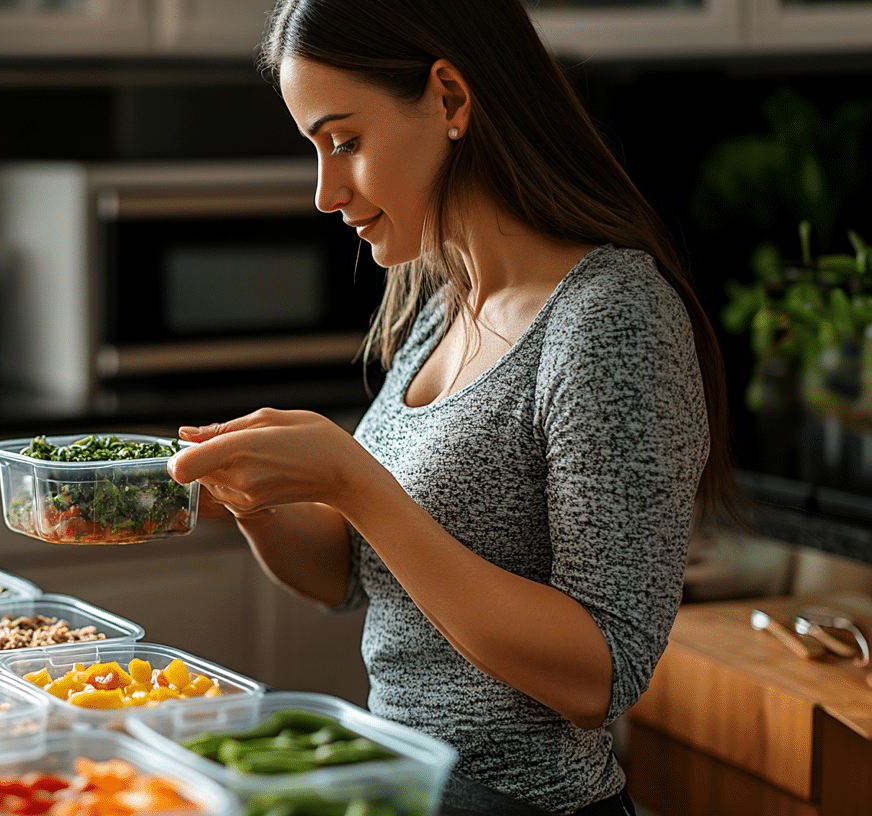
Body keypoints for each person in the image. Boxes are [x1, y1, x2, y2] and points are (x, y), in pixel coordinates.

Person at [165, 1, 741, 814]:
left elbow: (600, 674)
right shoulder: (447, 303)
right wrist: (253, 494)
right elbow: (345, 574)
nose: (326, 192)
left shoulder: (611, 317)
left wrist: (355, 482)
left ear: (449, 100)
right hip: (401, 782)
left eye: (345, 142)